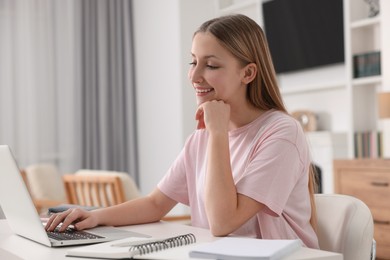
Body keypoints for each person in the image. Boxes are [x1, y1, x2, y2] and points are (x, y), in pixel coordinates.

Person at [46, 14, 319, 249]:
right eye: (193, 62)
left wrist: (218, 133)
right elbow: (156, 204)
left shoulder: (282, 132)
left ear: (247, 74)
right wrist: (95, 217)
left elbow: (223, 223)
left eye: (211, 65)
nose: (194, 75)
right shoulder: (201, 138)